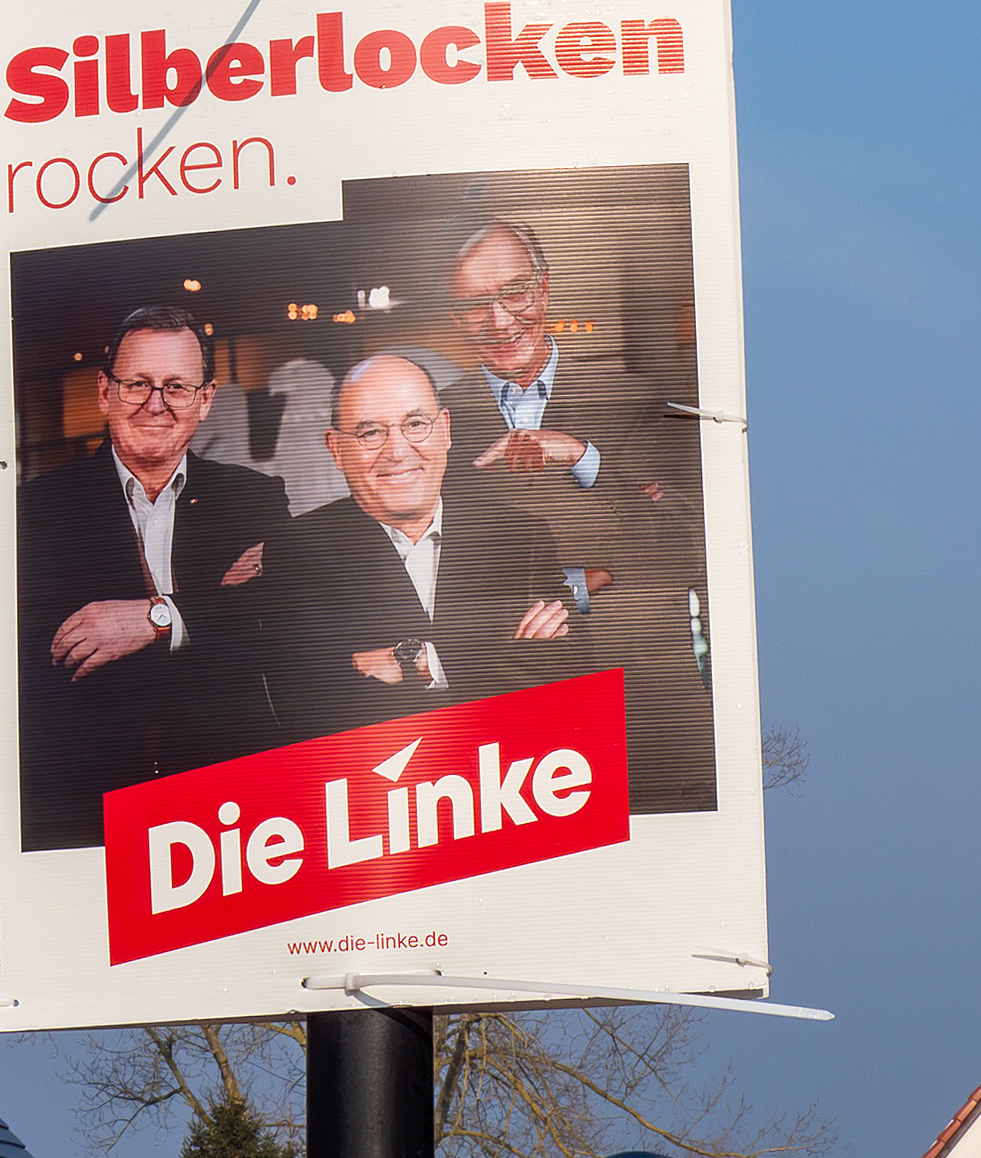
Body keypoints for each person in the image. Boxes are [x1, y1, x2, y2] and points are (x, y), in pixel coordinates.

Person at [438, 215, 713, 812]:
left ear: (544, 288)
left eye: (515, 292)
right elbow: (436, 577)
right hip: (512, 742)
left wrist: (582, 455)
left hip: (646, 715)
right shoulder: (432, 422)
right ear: (454, 318)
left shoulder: (638, 399)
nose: (499, 320)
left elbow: (686, 549)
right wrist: (589, 577)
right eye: (475, 305)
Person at [15, 306, 285, 850]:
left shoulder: (255, 499)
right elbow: (45, 662)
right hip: (86, 811)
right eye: (137, 384)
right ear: (104, 391)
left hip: (237, 809)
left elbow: (279, 631)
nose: (155, 404)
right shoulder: (33, 512)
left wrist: (156, 618)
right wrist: (215, 610)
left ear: (205, 400)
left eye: (177, 387)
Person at [255, 349, 577, 744]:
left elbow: (572, 674)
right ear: (335, 448)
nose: (397, 451)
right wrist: (503, 656)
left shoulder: (520, 535)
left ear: (445, 430)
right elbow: (312, 704)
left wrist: (419, 663)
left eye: (416, 424)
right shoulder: (297, 549)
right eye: (370, 433)